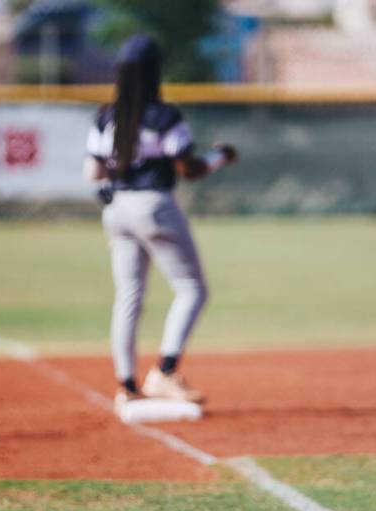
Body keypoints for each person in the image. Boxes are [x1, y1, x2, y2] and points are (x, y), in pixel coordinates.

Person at [84, 34, 238, 412]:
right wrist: (220, 157)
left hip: (116, 208)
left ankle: (126, 385)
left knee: (129, 297)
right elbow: (191, 169)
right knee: (192, 289)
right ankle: (165, 372)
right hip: (153, 205)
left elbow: (92, 172)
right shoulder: (164, 117)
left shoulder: (106, 115)